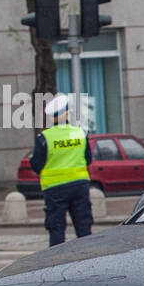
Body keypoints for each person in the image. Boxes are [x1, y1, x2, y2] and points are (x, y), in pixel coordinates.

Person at [30, 94, 93, 246]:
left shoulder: (45, 138)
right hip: (80, 186)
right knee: (84, 227)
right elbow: (89, 159)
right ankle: (88, 260)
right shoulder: (80, 133)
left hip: (54, 189)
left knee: (57, 229)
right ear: (67, 113)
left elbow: (36, 164)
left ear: (52, 117)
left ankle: (57, 264)